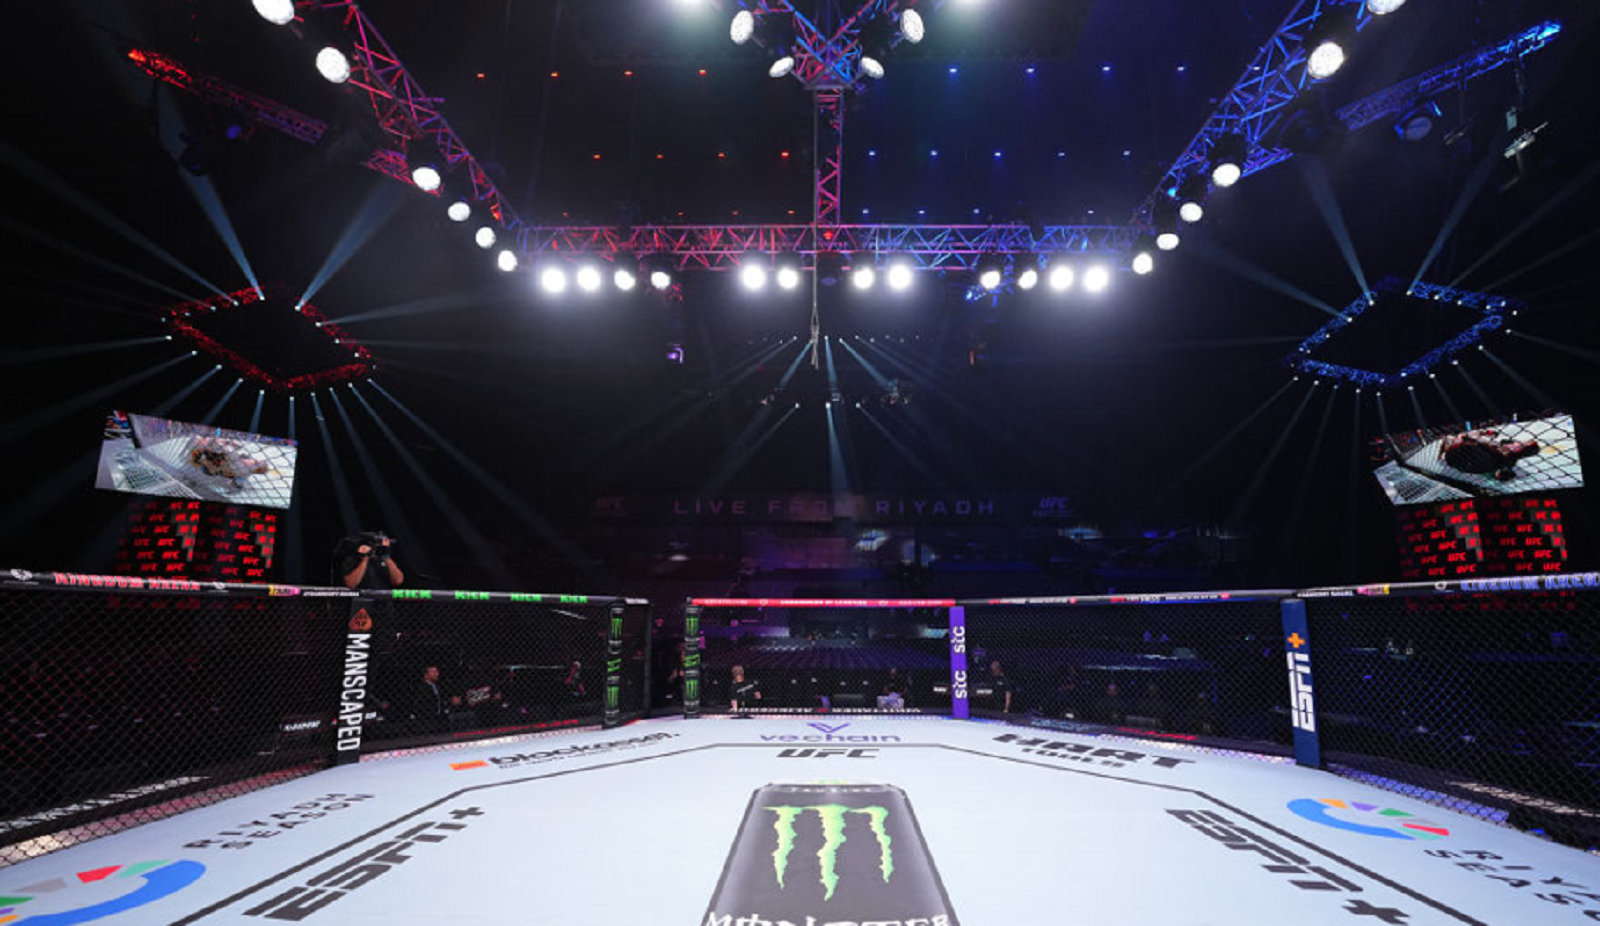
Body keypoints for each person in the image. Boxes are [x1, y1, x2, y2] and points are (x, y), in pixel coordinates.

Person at [336, 531, 405, 590]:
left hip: (384, 599)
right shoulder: (352, 559)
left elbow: (398, 581)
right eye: (375, 544)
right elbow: (351, 584)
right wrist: (365, 559)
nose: (376, 547)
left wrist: (386, 557)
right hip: (362, 599)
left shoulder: (384, 559)